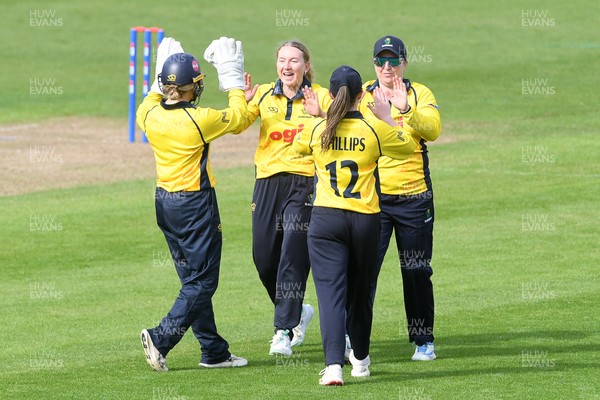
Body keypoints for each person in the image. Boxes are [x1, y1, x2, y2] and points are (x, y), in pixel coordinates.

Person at [294, 66, 417, 385]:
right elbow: (405, 147)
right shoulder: (374, 129)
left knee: (330, 295)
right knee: (360, 294)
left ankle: (334, 366)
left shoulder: (318, 129)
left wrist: (319, 115)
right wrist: (388, 117)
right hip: (365, 220)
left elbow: (297, 147)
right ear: (362, 97)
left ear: (331, 95)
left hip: (326, 220)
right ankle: (360, 359)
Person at [136, 36, 249, 371]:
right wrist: (232, 79)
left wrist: (162, 70)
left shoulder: (148, 113)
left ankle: (213, 351)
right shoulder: (200, 119)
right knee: (204, 281)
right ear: (192, 88)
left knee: (192, 280)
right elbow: (241, 118)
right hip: (195, 205)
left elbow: (154, 95)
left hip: (164, 203)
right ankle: (161, 337)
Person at [241, 41, 331, 357]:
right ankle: (298, 313)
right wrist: (240, 97)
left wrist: (320, 114)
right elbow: (238, 123)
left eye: (294, 60)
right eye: (282, 60)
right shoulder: (264, 93)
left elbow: (343, 125)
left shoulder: (320, 95)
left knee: (293, 249)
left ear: (306, 65)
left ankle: (282, 331)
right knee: (264, 258)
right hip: (266, 182)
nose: (287, 66)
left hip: (305, 181)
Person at [358, 35, 442, 361]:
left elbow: (432, 130)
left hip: (414, 197)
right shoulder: (364, 94)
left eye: (393, 60)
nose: (387, 67)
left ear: (404, 63)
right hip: (373, 199)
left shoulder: (420, 93)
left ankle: (423, 339)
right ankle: (356, 338)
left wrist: (405, 107)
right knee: (364, 271)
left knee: (416, 270)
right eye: (381, 60)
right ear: (374, 63)